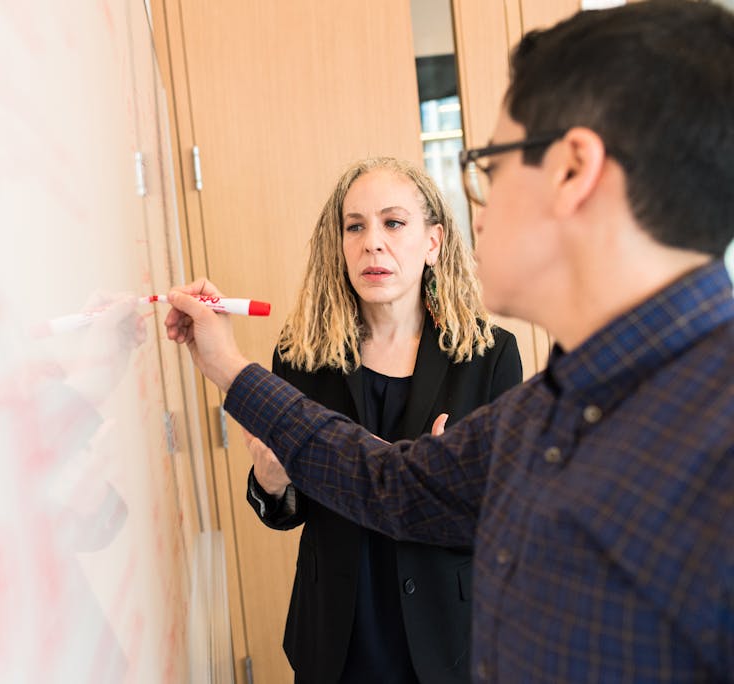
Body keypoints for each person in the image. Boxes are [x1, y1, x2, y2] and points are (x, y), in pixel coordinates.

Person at [164, 1, 734, 680]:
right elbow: (390, 485)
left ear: (572, 171)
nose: (478, 214)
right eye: (355, 226)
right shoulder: (551, 405)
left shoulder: (710, 434)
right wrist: (227, 366)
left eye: (489, 169)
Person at [244, 157, 521, 683]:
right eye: (355, 227)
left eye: (393, 223)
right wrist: (271, 482)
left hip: (449, 640)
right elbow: (283, 512)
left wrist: (448, 484)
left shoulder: (489, 356)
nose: (372, 243)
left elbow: (507, 516)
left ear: (433, 242)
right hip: (335, 639)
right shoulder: (300, 356)